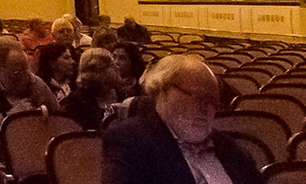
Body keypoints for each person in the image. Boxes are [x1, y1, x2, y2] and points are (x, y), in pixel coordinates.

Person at [103, 55, 260, 184]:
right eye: (197, 97)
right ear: (163, 90)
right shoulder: (129, 140)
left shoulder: (230, 148)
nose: (206, 108)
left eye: (212, 100)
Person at [0, 36, 60, 175]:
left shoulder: (35, 83)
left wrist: (44, 114)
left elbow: (58, 114)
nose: (24, 76)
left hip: (38, 154)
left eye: (26, 69)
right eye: (16, 72)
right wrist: (8, 117)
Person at [61, 48, 126, 129]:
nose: (117, 68)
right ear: (99, 72)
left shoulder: (122, 93)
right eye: (112, 65)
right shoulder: (76, 102)